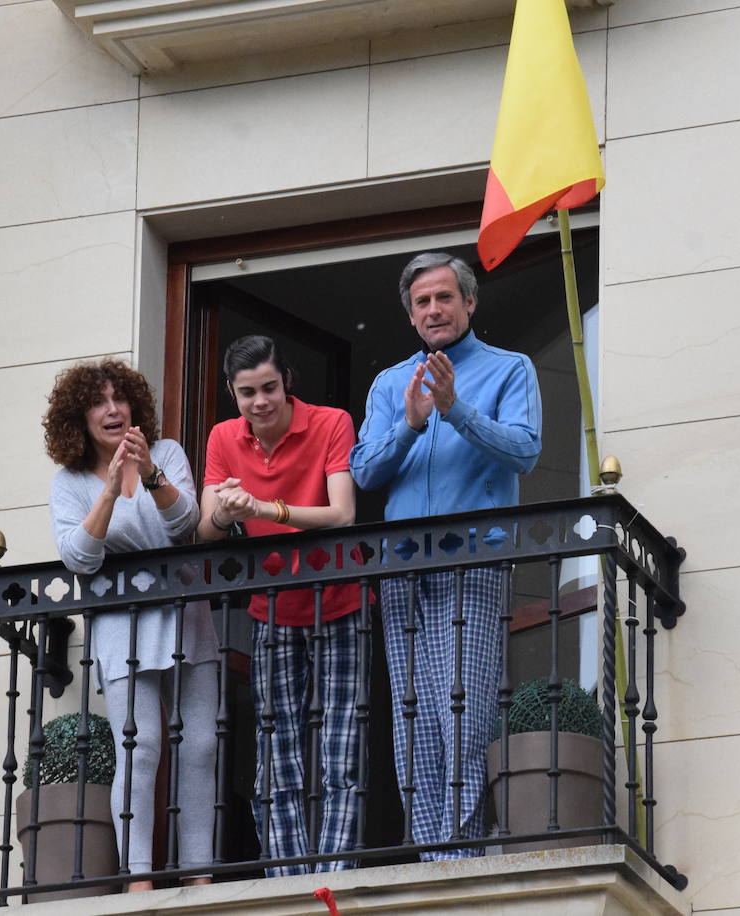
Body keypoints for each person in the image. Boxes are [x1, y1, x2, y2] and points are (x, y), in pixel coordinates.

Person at [350, 252, 541, 859]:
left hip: (473, 563)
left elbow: (526, 450)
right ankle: (434, 852)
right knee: (411, 721)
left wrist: (456, 409)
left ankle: (463, 850)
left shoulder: (510, 369)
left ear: (469, 304)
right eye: (422, 302)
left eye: (444, 298)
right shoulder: (389, 384)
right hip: (404, 567)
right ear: (411, 316)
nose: (434, 309)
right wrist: (410, 422)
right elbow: (364, 470)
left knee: (462, 704)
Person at [45, 358, 218, 891]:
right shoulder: (69, 482)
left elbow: (185, 522)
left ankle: (199, 876)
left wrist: (147, 474)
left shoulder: (164, 455)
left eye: (120, 398)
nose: (113, 409)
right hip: (123, 626)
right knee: (139, 750)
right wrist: (107, 492)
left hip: (185, 611)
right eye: (99, 402)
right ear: (80, 417)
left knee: (202, 746)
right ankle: (138, 878)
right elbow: (78, 556)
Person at [197, 335, 363, 876]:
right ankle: (287, 876)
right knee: (276, 747)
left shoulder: (331, 422)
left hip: (341, 597)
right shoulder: (223, 437)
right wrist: (226, 512)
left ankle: (333, 870)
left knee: (341, 742)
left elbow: (342, 514)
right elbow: (206, 532)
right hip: (271, 607)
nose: (260, 401)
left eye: (269, 387)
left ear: (286, 379)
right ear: (231, 393)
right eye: (247, 393)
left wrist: (266, 507)